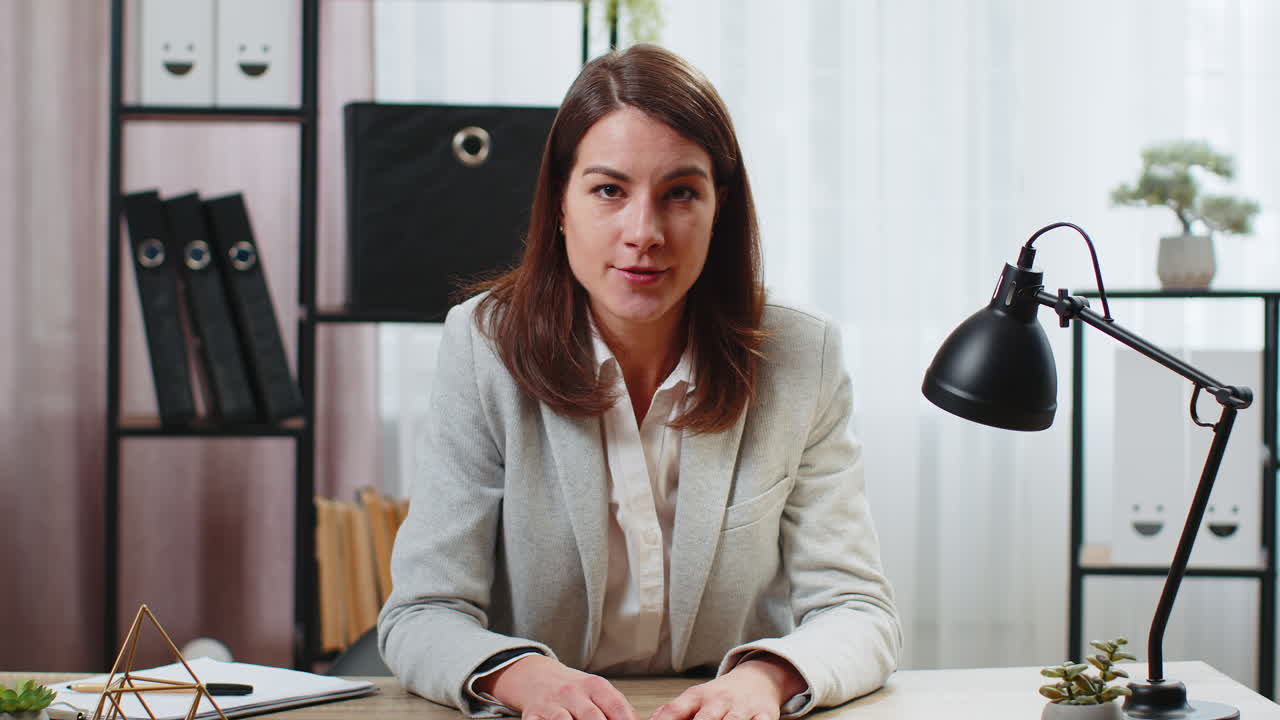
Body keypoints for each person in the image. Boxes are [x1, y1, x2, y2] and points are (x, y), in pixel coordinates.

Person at [377, 44, 901, 720]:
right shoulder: (483, 348)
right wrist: (519, 676)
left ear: (720, 208)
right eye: (608, 191)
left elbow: (858, 610)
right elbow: (423, 612)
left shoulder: (802, 355)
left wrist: (765, 680)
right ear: (560, 204)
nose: (643, 232)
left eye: (680, 193)